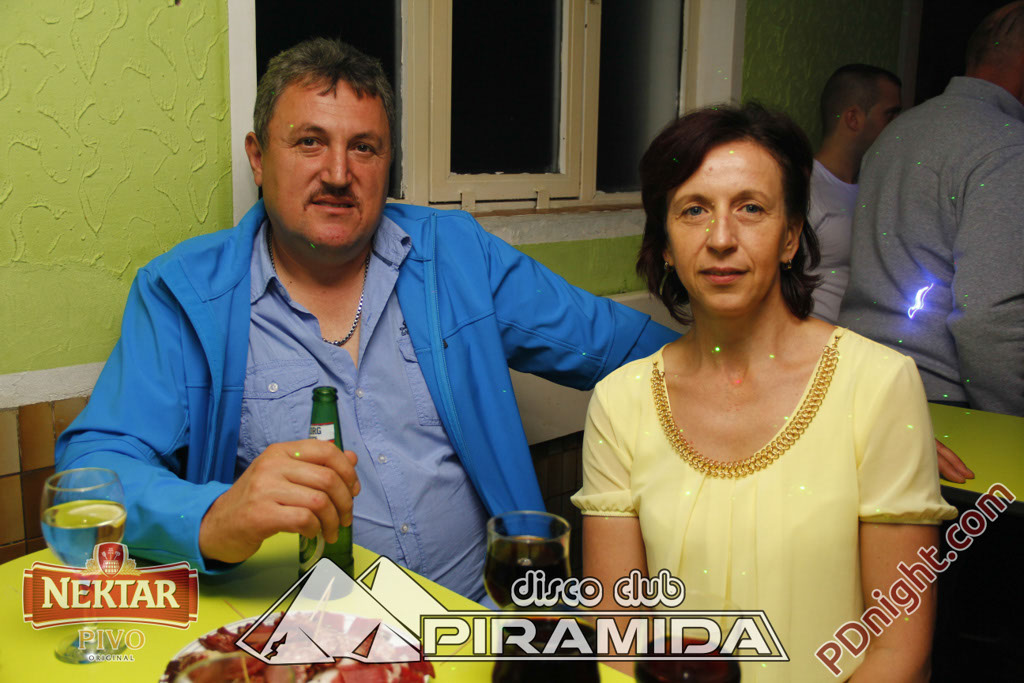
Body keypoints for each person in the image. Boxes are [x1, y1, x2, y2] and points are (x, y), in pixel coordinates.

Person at [54, 38, 678, 601]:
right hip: (316, 642)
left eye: (364, 148)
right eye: (309, 142)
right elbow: (91, 474)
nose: (338, 174)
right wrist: (214, 517)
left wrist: (733, 361)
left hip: (489, 625)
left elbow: (619, 347)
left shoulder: (456, 255)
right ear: (257, 157)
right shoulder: (184, 294)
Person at [572, 104, 956, 681]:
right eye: (694, 210)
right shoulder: (620, 404)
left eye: (751, 208)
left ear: (790, 236)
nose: (721, 238)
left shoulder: (879, 385)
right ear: (667, 246)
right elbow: (617, 637)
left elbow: (898, 650)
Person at [839, 2, 1024, 417]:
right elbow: (991, 321)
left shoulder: (897, 132)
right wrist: (1010, 420)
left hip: (852, 382)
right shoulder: (1008, 147)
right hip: (939, 407)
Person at [808, 64, 901, 324]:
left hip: (864, 341)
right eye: (890, 115)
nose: (900, 126)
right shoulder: (805, 188)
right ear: (853, 119)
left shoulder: (875, 187)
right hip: (815, 342)